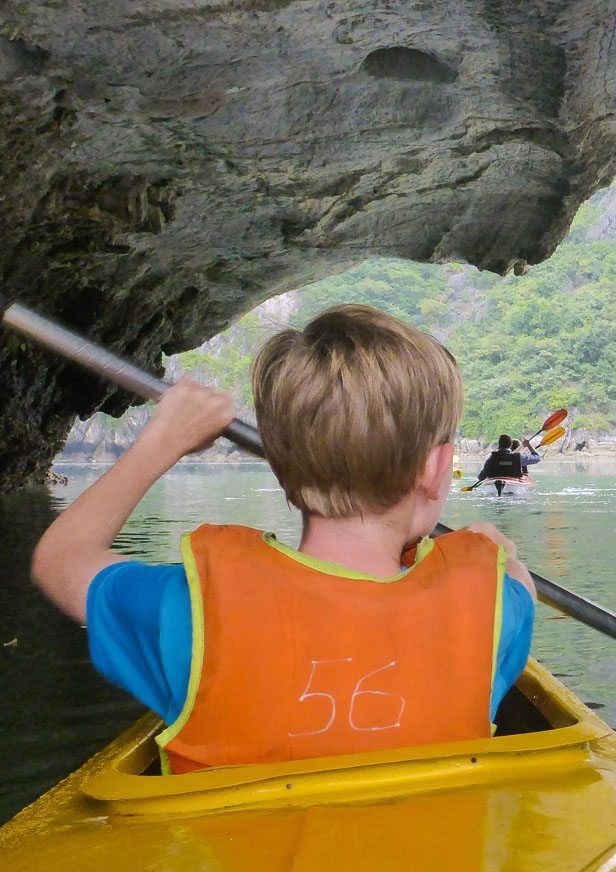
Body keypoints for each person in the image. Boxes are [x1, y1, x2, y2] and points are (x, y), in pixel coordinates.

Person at [30, 305, 536, 773]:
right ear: (435, 468)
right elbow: (519, 586)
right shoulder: (494, 609)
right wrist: (498, 550)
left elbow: (60, 558)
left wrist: (161, 443)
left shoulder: (193, 609)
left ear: (281, 466)